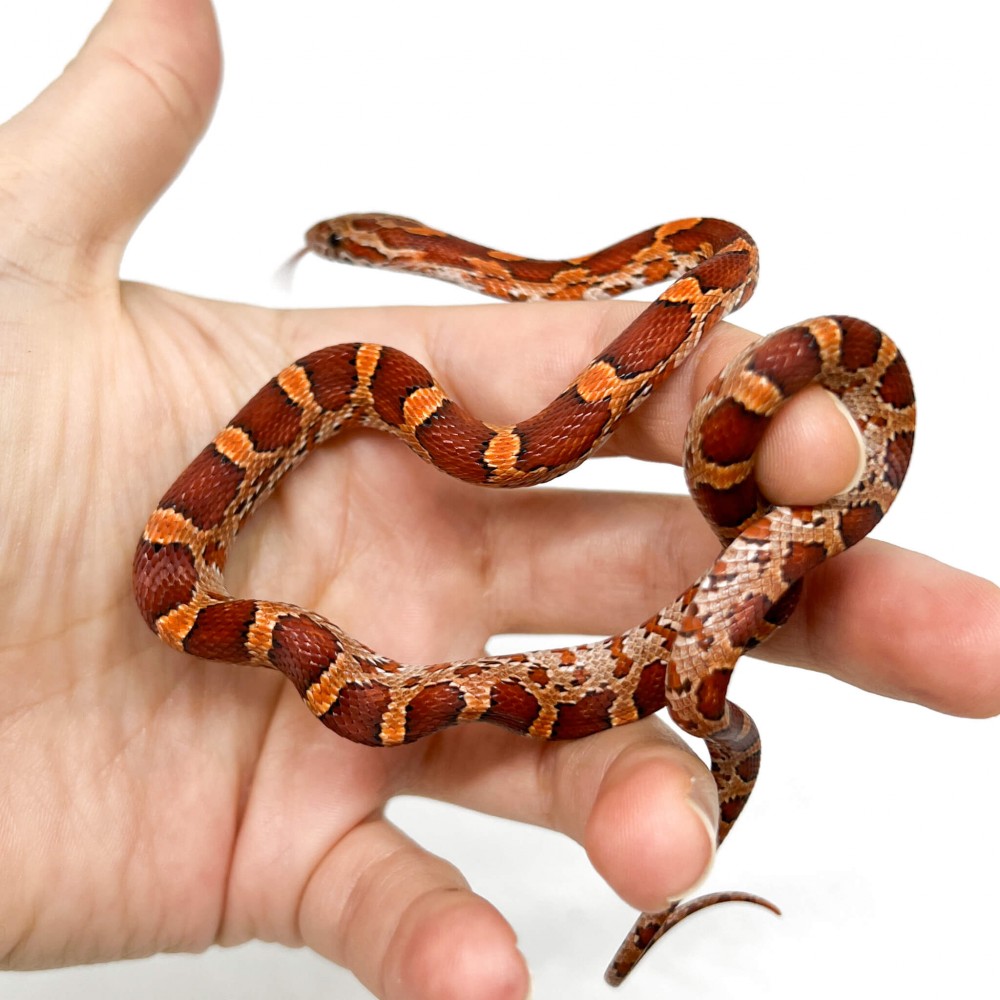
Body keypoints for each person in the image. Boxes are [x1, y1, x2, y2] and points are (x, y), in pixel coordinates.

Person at [1, 3, 997, 999]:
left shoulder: (709, 267)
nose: (332, 246)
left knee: (771, 483)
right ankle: (713, 682)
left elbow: (707, 270)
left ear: (395, 251)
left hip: (766, 466)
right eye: (345, 242)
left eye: (346, 243)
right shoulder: (269, 487)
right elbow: (180, 592)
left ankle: (722, 645)